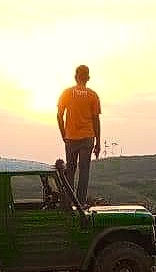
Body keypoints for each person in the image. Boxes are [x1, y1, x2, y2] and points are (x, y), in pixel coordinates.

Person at [57, 65, 101, 207]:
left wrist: (63, 133)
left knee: (70, 171)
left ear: (75, 77)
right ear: (88, 78)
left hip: (70, 137)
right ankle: (80, 204)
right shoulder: (93, 95)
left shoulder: (67, 93)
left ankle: (68, 203)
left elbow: (59, 115)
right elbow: (96, 120)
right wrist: (98, 142)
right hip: (88, 137)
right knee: (84, 171)